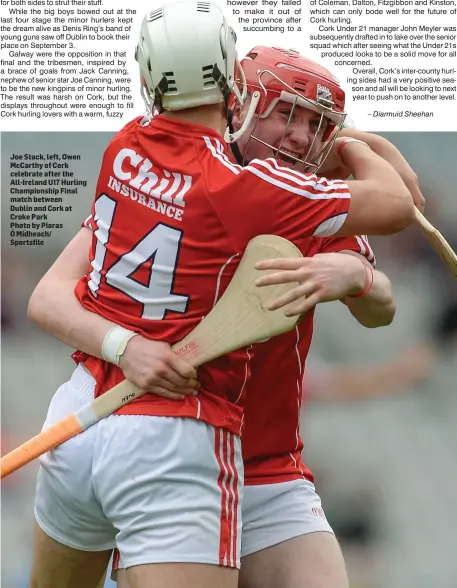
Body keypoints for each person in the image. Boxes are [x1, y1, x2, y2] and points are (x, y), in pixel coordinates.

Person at [27, 4, 416, 587]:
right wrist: (125, 347)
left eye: (317, 125)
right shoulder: (256, 190)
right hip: (183, 444)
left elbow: (380, 308)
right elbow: (50, 296)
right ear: (244, 99)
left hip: (265, 471)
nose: (300, 135)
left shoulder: (156, 157)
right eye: (287, 114)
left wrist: (355, 277)